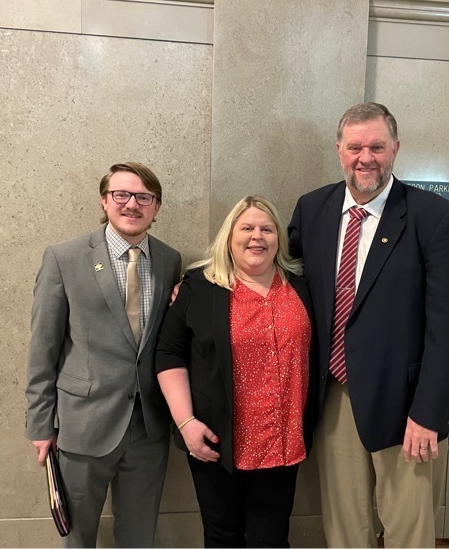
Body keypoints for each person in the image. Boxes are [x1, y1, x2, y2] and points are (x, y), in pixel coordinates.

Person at [288, 102, 449, 548]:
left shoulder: (434, 217)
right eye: (355, 147)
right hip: (333, 398)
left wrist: (428, 414)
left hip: (405, 406)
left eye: (376, 146)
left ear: (395, 149)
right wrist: (204, 286)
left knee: (408, 528)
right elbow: (282, 276)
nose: (365, 157)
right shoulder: (312, 208)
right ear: (339, 150)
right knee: (344, 527)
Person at [24, 162, 182, 548]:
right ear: (105, 200)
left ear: (156, 206)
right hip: (82, 426)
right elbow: (43, 347)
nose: (132, 204)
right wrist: (41, 424)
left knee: (139, 536)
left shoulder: (169, 260)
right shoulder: (65, 258)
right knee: (77, 537)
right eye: (121, 195)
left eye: (144, 197)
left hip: (148, 426)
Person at [155, 195, 318, 548]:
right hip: (216, 443)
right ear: (230, 237)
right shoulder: (200, 287)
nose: (257, 236)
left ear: (279, 239)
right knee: (222, 538)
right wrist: (185, 423)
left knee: (272, 540)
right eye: (247, 228)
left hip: (283, 442)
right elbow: (169, 353)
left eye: (267, 229)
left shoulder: (303, 285)